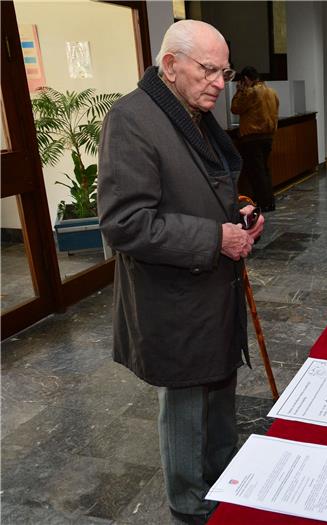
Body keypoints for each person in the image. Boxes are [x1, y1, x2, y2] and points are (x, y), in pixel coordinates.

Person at [97, 20, 264, 524]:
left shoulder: (191, 112)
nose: (220, 82)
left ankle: (224, 477)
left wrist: (239, 211)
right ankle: (189, 504)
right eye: (209, 70)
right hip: (175, 294)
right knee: (189, 398)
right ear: (170, 66)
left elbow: (203, 186)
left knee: (220, 385)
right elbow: (124, 223)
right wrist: (216, 237)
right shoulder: (131, 119)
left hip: (213, 286)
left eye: (225, 71)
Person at [231, 66, 279, 211]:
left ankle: (263, 203)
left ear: (246, 79)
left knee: (256, 172)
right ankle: (269, 201)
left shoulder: (251, 92)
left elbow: (235, 108)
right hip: (268, 136)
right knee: (264, 169)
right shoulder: (272, 92)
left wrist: (239, 90)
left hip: (252, 137)